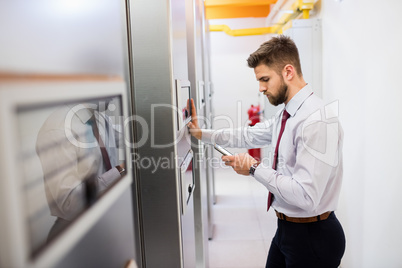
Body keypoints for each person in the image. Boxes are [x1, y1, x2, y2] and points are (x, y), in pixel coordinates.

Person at [187, 35, 345, 268]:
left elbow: (306, 197)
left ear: (288, 72)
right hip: (286, 230)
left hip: (313, 237)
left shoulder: (315, 120)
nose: (261, 88)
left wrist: (253, 167)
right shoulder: (288, 113)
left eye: (265, 79)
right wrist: (203, 134)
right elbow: (249, 134)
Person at [36, 100, 126, 240]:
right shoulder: (57, 130)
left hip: (104, 223)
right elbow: (69, 202)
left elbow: (127, 136)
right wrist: (121, 171)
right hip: (75, 235)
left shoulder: (97, 117)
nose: (113, 99)